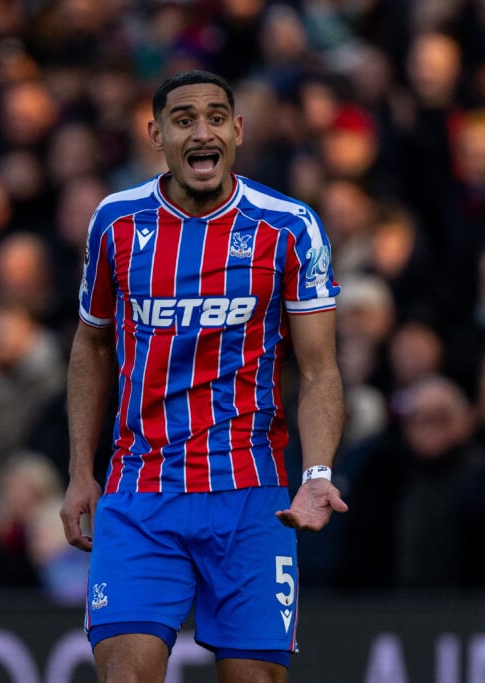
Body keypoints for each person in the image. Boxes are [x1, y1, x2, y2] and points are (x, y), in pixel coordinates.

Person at [59, 70, 348, 683]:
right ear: (156, 134)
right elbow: (91, 343)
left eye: (217, 117)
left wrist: (317, 472)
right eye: (184, 119)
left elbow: (320, 369)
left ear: (237, 131)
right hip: (140, 489)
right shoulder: (115, 223)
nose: (203, 131)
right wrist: (81, 471)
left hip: (252, 496)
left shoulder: (290, 227)